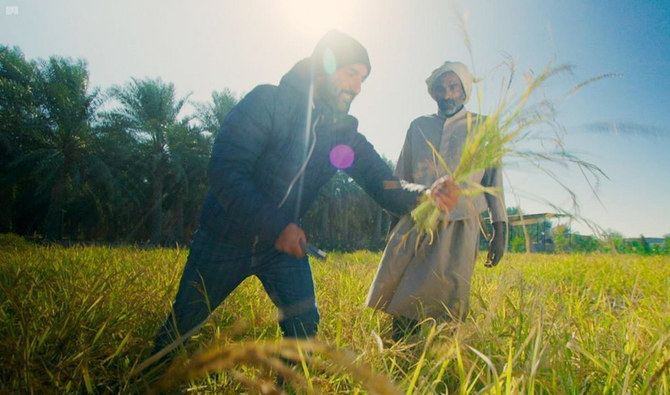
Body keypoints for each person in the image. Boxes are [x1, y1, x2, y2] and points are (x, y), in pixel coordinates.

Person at [152, 30, 460, 354]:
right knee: (180, 329)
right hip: (223, 239)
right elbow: (225, 171)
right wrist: (276, 226)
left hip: (280, 251)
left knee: (304, 325)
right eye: (352, 74)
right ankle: (151, 377)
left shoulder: (340, 136)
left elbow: (380, 181)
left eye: (363, 79)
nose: (357, 87)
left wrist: (424, 195)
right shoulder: (268, 102)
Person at [365, 61, 507, 341]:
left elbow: (494, 183)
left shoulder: (484, 126)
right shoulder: (418, 126)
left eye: (454, 86)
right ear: (433, 93)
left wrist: (499, 227)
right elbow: (401, 176)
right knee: (404, 294)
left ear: (464, 91)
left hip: (460, 224)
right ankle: (400, 355)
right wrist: (394, 225)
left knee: (450, 298)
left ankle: (443, 359)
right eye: (441, 88)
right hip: (418, 219)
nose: (447, 93)